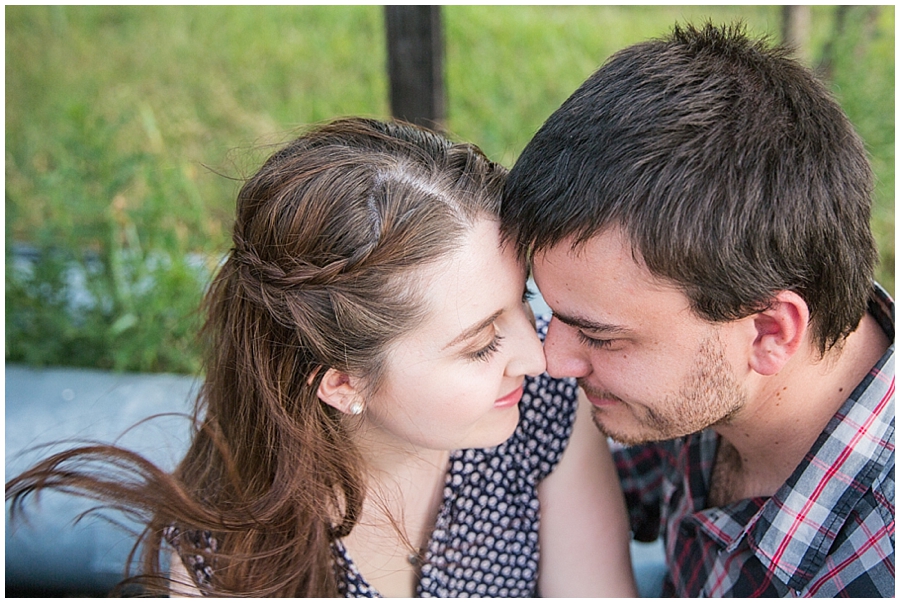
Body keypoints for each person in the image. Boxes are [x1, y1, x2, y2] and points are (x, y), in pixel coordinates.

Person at [7, 118, 637, 597]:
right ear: (341, 383)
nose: (542, 356)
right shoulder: (233, 546)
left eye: (523, 303)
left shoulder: (541, 411)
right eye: (479, 345)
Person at [500, 22, 894, 598]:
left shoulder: (875, 565)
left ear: (768, 331)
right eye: (550, 308)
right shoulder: (713, 360)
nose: (551, 359)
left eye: (601, 336)